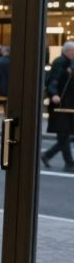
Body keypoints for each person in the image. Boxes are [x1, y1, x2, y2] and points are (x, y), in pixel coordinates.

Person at [41, 41, 74, 172]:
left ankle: (47, 155)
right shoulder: (60, 62)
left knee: (65, 134)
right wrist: (54, 94)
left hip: (68, 104)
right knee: (64, 133)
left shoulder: (70, 62)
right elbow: (53, 80)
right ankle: (69, 163)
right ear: (68, 51)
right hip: (60, 104)